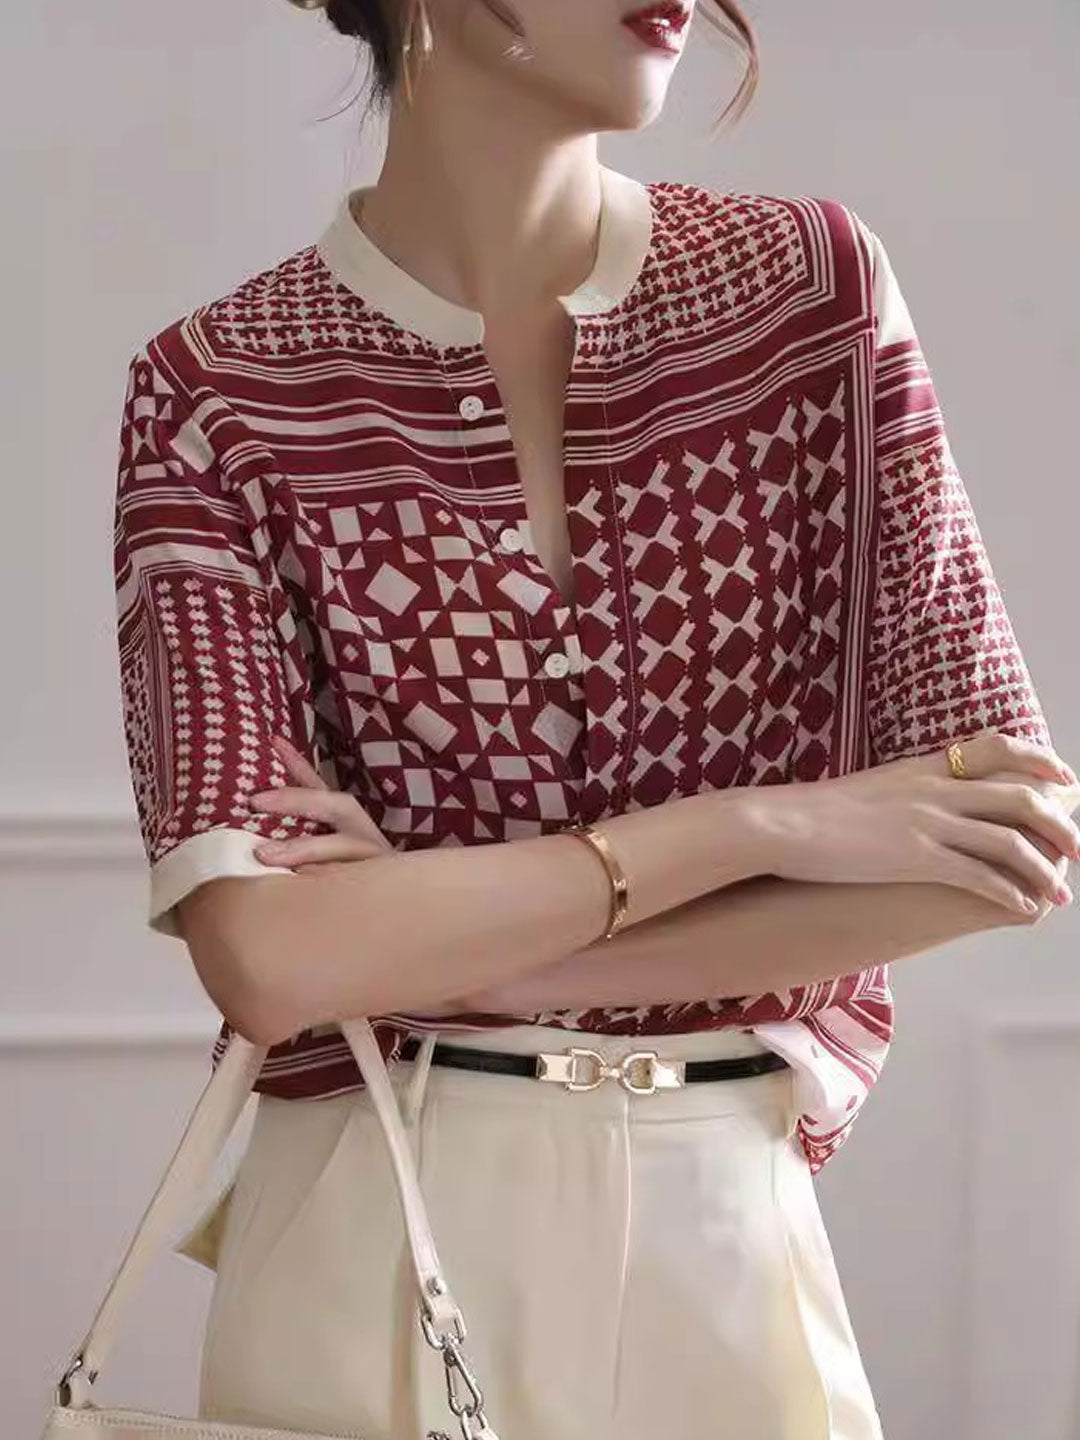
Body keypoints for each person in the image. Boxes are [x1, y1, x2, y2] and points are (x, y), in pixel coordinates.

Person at [111, 1, 1080, 1436]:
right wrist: (758, 827)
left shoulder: (806, 295)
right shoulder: (219, 391)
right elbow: (267, 957)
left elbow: (1005, 843)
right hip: (373, 1217)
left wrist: (464, 952)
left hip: (725, 1224)